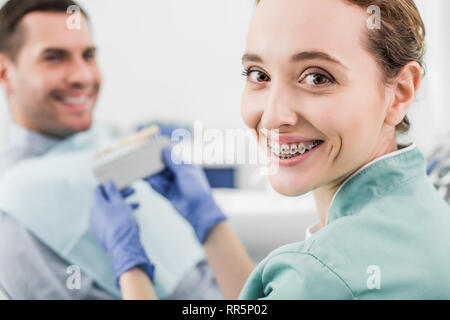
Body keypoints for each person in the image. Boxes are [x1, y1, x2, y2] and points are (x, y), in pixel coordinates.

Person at [90, 0, 450, 299]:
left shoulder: (322, 274)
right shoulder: (423, 210)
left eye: (317, 77)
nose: (274, 116)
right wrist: (208, 223)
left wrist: (130, 267)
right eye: (258, 75)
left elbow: (316, 282)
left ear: (400, 91)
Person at [0, 0, 221, 300]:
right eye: (54, 58)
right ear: (4, 72)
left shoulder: (115, 155)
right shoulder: (15, 215)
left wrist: (210, 224)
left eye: (88, 55)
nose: (82, 76)